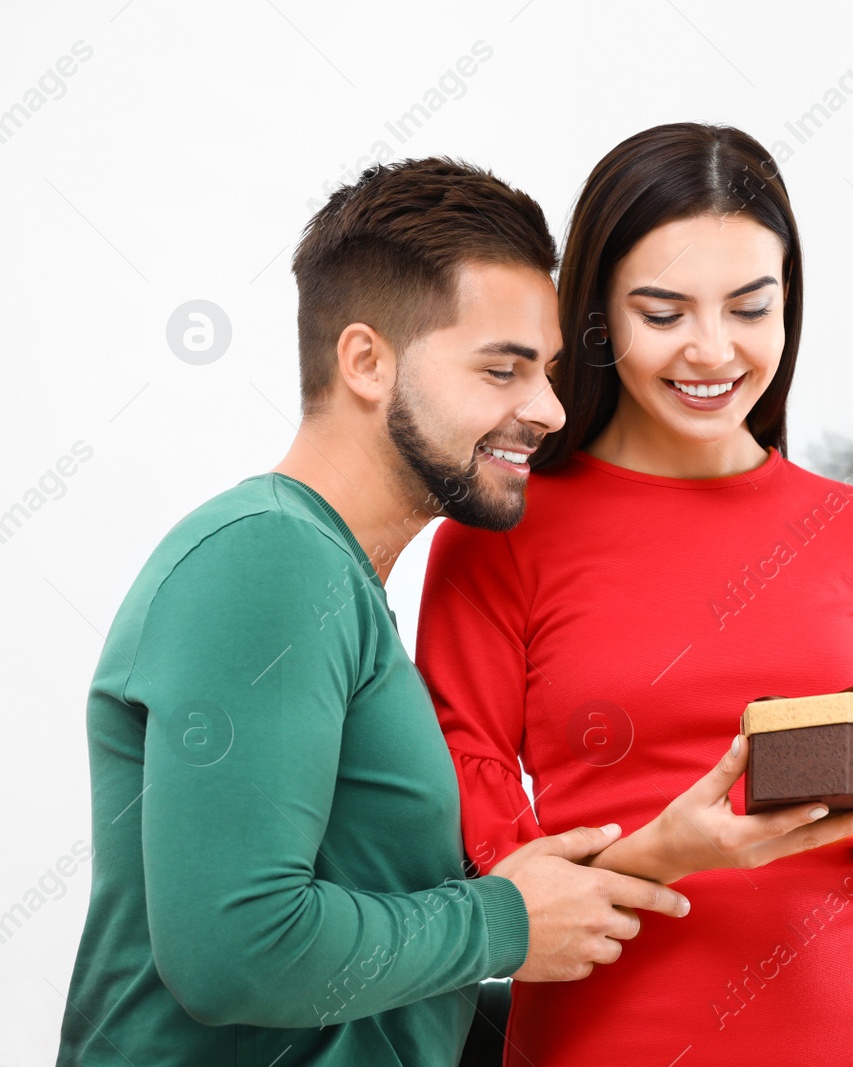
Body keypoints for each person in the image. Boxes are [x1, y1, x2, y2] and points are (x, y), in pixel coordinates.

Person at [54, 157, 692, 1067]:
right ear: (367, 361)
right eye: (502, 370)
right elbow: (238, 953)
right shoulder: (266, 563)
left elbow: (364, 991)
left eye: (545, 372)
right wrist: (504, 921)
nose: (547, 409)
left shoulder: (330, 578)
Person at [416, 123, 853, 1066]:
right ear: (599, 318)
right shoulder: (498, 537)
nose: (711, 350)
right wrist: (669, 848)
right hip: (606, 1040)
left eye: (749, 308)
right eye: (663, 313)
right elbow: (483, 881)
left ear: (788, 309)